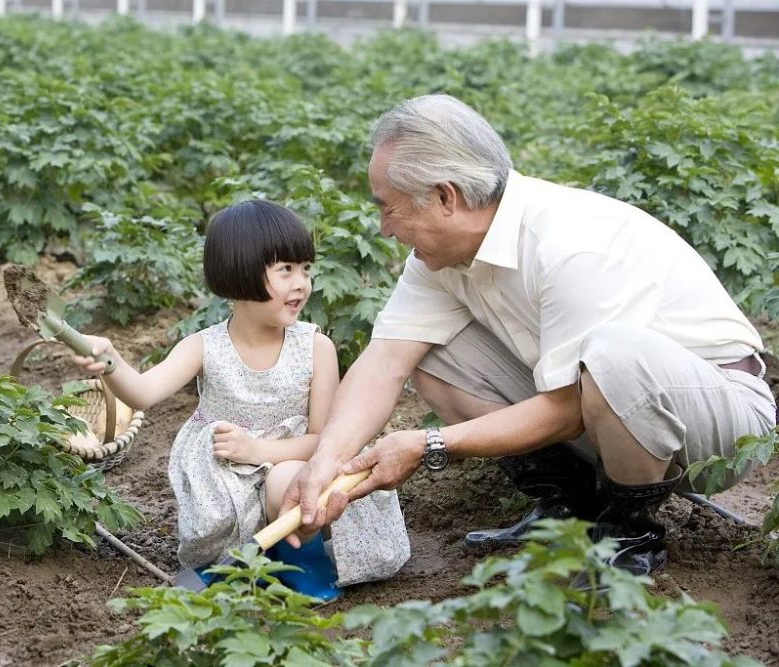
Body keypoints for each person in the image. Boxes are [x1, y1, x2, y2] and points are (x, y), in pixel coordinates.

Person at [280, 94, 777, 577]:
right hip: (601, 405)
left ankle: (630, 535)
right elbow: (386, 361)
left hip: (718, 423)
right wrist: (326, 461)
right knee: (433, 353)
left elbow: (565, 407)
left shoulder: (569, 243)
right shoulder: (441, 260)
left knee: (612, 356)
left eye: (389, 208)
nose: (386, 229)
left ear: (445, 196)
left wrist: (430, 444)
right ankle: (571, 507)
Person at [73, 199, 410, 599]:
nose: (301, 282)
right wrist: (111, 363)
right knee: (242, 524)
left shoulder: (316, 347)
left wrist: (259, 449)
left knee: (289, 479)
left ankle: (305, 563)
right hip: (225, 477)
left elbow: (324, 437)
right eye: (285, 270)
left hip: (297, 463)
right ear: (240, 270)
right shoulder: (205, 346)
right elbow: (144, 392)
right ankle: (254, 560)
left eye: (306, 269)